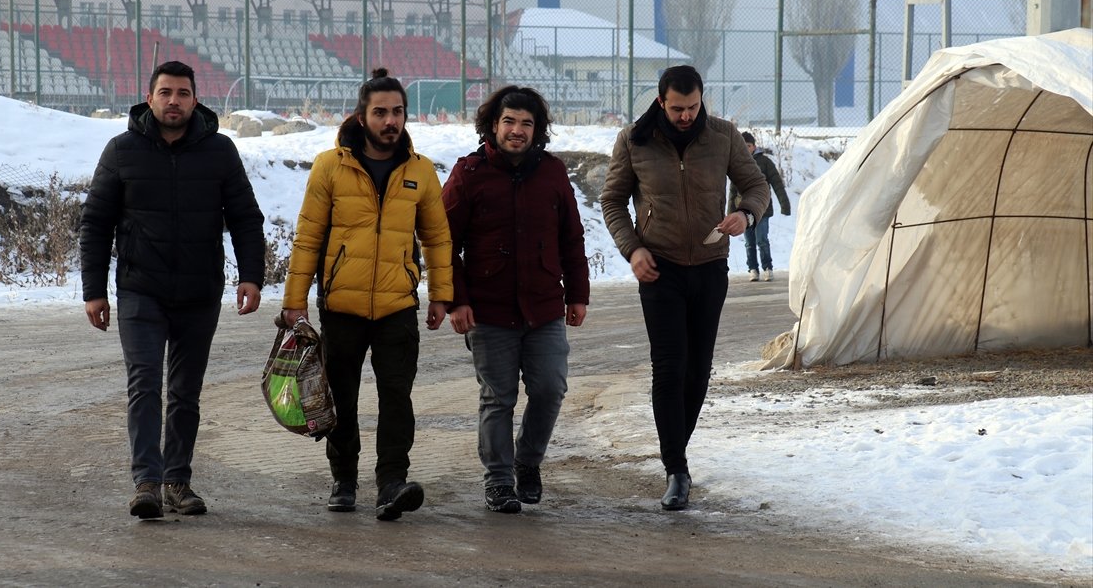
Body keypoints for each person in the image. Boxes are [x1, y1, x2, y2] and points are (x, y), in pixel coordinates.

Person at [79, 60, 266, 520]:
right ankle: (147, 482)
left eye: (183, 93)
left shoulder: (220, 151)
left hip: (200, 292)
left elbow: (245, 217)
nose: (174, 101)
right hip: (140, 290)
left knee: (185, 393)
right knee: (144, 384)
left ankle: (177, 482)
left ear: (195, 100)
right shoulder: (122, 150)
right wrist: (93, 290)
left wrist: (251, 275)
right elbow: (95, 224)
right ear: (149, 99)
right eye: (165, 93)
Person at [281, 68, 453, 522]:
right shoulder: (330, 166)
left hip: (398, 305)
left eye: (397, 112)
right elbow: (308, 237)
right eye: (380, 113)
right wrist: (294, 301)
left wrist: (441, 295)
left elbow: (437, 238)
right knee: (342, 396)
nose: (390, 121)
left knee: (397, 396)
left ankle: (392, 482)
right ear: (361, 116)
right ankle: (343, 478)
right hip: (342, 306)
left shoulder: (420, 171)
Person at [599, 65, 770, 511]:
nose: (686, 116)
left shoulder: (723, 136)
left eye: (693, 107)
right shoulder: (634, 141)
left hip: (710, 267)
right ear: (661, 102)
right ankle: (676, 468)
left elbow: (756, 185)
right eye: (677, 108)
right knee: (669, 366)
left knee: (698, 370)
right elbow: (612, 201)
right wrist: (633, 249)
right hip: (660, 269)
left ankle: (676, 447)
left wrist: (746, 214)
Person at [441, 86, 590, 514]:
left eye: (526, 123)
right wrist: (456, 300)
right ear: (493, 125)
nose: (517, 130)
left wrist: (578, 294)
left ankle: (527, 462)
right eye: (509, 121)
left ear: (537, 129)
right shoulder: (469, 173)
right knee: (498, 398)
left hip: (544, 307)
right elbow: (441, 241)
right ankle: (499, 480)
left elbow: (571, 237)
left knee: (550, 388)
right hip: (488, 309)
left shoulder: (553, 172)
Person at [729, 131, 791, 282]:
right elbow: (732, 190)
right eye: (743, 146)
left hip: (762, 208)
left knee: (762, 240)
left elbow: (777, 183)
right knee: (749, 242)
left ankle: (767, 268)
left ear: (754, 146)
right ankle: (753, 269)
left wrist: (784, 204)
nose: (746, 148)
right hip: (744, 211)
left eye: (748, 145)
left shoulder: (765, 162)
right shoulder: (736, 163)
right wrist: (731, 212)